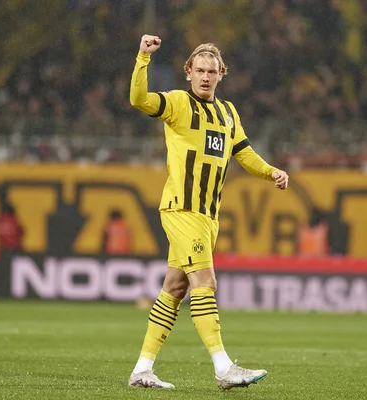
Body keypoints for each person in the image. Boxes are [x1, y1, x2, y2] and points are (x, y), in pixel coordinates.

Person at [128, 35, 289, 390]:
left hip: (208, 215)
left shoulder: (228, 113)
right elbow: (138, 99)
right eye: (198, 70)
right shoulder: (178, 104)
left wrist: (271, 172)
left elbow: (243, 153)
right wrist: (143, 57)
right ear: (188, 73)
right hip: (182, 209)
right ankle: (223, 368)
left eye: (211, 71)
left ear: (221, 74)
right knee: (206, 282)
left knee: (174, 286)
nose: (204, 76)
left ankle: (142, 369)